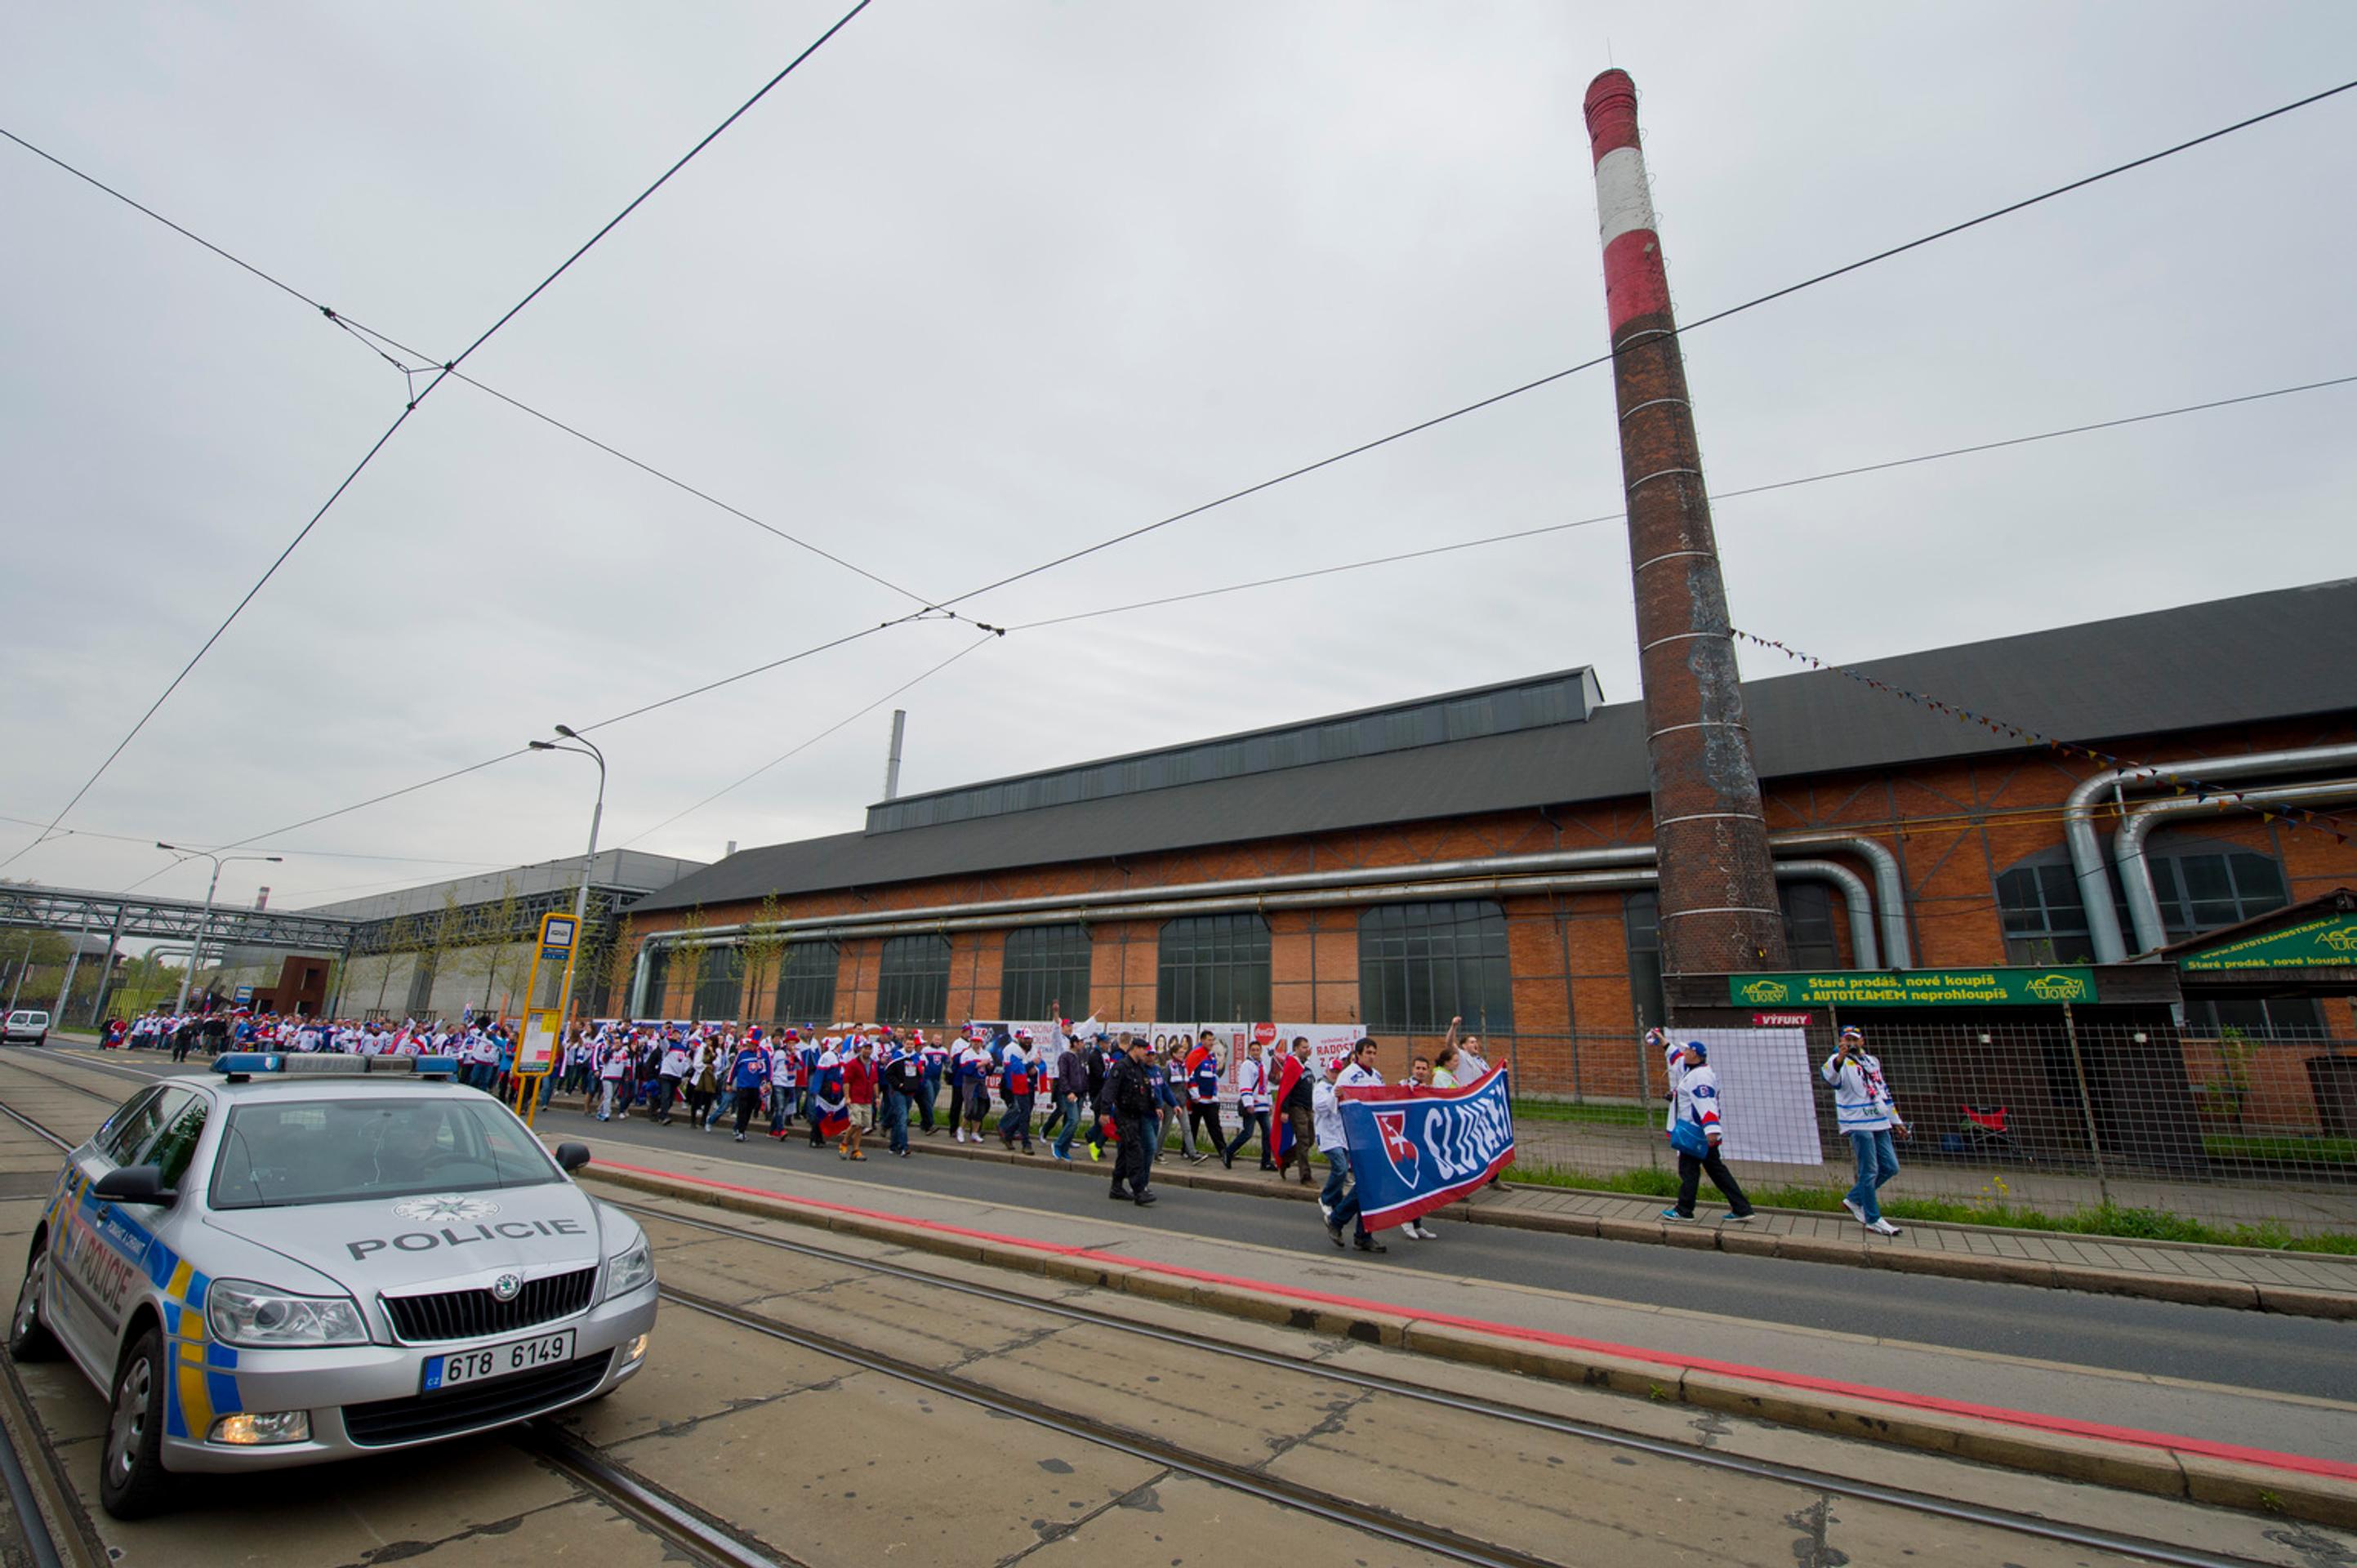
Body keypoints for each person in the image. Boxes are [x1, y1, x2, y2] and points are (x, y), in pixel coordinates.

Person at [1823, 1025, 1907, 1236]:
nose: (1851, 1043)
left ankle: (1854, 1199)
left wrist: (1896, 1121)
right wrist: (1840, 1057)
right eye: (1847, 1039)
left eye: (1855, 1039)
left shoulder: (1872, 1062)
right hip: (1858, 1121)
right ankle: (1873, 1219)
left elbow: (1883, 1090)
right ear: (1841, 1041)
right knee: (1869, 1171)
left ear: (1862, 1042)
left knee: (1890, 1166)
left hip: (1879, 1119)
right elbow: (1831, 1077)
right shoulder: (1838, 1061)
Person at [1660, 1040, 1754, 1224]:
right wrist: (1664, 1042)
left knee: (1689, 1171)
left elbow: (1706, 1103)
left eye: (1687, 1050)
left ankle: (1684, 1210)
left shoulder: (1700, 1077)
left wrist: (1711, 1130)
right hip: (1700, 1133)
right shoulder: (1694, 1071)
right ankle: (1742, 1208)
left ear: (1695, 1054)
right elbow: (1677, 1061)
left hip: (1696, 1134)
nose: (1684, 1053)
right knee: (1716, 1171)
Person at [1314, 1054, 1383, 1254]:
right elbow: (1326, 1107)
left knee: (1370, 1186)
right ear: (1358, 1055)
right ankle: (1336, 1216)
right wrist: (1335, 1095)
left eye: (1374, 1052)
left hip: (1367, 1135)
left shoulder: (1376, 1076)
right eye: (1368, 1052)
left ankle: (1361, 1234)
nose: (1372, 1055)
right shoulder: (1347, 1076)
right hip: (1353, 1136)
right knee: (1358, 1179)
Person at [1105, 1033, 1157, 1205]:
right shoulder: (1122, 1067)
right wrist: (1105, 1112)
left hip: (1138, 1115)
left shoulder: (1139, 1068)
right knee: (1136, 1152)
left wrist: (1154, 1106)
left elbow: (1146, 1090)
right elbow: (1110, 1089)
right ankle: (1139, 1191)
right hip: (1125, 1115)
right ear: (1136, 1049)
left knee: (1125, 1153)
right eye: (1144, 1050)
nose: (1146, 1053)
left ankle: (1116, 1187)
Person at [1223, 1040, 1274, 1169]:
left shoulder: (1262, 1065)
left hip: (1262, 1104)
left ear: (1261, 1051)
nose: (1256, 1052)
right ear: (1249, 1051)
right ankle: (1228, 1152)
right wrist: (1248, 1103)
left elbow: (1266, 1085)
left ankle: (1266, 1161)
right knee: (1248, 1133)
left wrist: (1270, 1103)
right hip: (1253, 1105)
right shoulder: (1247, 1065)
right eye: (1253, 1050)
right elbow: (1245, 1085)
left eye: (1258, 1050)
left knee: (1268, 1133)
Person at [1277, 1038, 1317, 1185]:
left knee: (1310, 1139)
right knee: (1303, 1139)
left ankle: (1286, 1159)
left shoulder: (1306, 1065)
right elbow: (1286, 1088)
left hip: (1308, 1107)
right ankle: (1305, 1176)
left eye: (1307, 1047)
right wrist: (1284, 1110)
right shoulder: (1292, 1064)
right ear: (1296, 1048)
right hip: (1296, 1107)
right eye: (1303, 1047)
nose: (1306, 1050)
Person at [1183, 1033, 1225, 1165]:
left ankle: (1224, 1151)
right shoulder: (1196, 1054)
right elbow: (1190, 1074)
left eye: (1212, 1040)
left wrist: (1215, 1095)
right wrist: (1194, 1094)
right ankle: (1186, 1150)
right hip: (1197, 1099)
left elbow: (1213, 1076)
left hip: (1210, 1099)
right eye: (1208, 1040)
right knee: (1193, 1126)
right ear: (1202, 1040)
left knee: (1215, 1125)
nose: (1211, 1042)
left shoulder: (1211, 1055)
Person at [728, 1031, 772, 1143]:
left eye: (753, 1044)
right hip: (743, 1086)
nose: (751, 1046)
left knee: (749, 1110)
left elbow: (768, 1069)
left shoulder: (763, 1054)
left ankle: (742, 1129)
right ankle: (740, 1132)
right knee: (742, 1109)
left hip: (755, 1087)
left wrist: (768, 1081)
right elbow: (734, 1069)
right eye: (750, 1044)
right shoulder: (742, 1054)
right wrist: (729, 1082)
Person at [881, 1036, 922, 1156]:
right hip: (897, 1092)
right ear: (904, 1044)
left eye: (912, 1044)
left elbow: (920, 1074)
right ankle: (904, 1147)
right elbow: (889, 1074)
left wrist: (915, 1084)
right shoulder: (897, 1057)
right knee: (903, 1118)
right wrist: (898, 1084)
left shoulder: (916, 1058)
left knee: (899, 1119)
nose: (910, 1046)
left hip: (910, 1092)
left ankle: (893, 1146)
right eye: (908, 1044)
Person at [999, 1029, 1037, 1153]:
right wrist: (1031, 1064)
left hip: (1027, 1085)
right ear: (1019, 1038)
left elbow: (1035, 1066)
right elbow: (1018, 1069)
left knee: (1024, 1113)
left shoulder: (1026, 1050)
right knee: (1022, 1113)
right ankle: (1025, 1143)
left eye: (1029, 1039)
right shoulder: (1013, 1050)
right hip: (1017, 1086)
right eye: (1025, 1039)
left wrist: (1034, 1068)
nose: (1027, 1041)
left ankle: (1008, 1134)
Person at [843, 1037, 876, 1160]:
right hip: (855, 1098)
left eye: (869, 1049)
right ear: (861, 1050)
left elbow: (875, 1081)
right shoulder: (853, 1064)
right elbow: (846, 1082)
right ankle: (844, 1143)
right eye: (865, 1048)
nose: (867, 1051)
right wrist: (847, 1097)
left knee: (862, 1126)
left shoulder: (873, 1064)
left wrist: (877, 1097)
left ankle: (855, 1150)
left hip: (867, 1099)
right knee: (855, 1123)